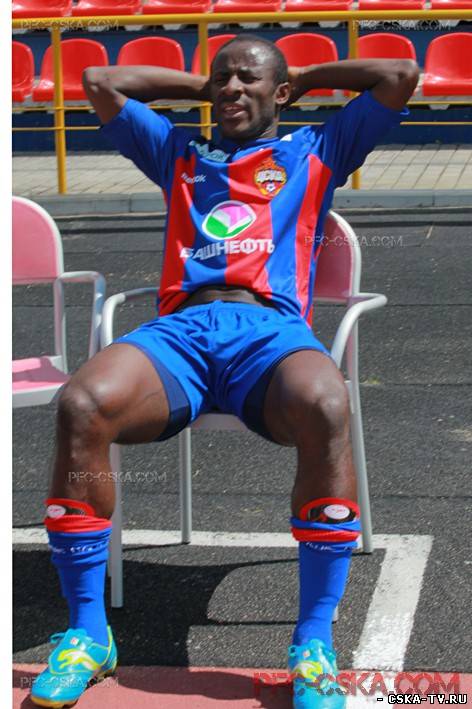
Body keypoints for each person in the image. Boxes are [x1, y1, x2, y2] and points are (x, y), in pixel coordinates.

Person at [30, 35, 418, 709]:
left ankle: (313, 644)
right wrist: (205, 86)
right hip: (180, 334)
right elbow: (98, 80)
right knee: (82, 402)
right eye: (223, 79)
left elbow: (401, 72)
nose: (232, 88)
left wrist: (297, 75)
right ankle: (88, 633)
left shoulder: (318, 148)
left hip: (269, 333)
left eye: (248, 79)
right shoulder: (177, 152)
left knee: (327, 402)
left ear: (283, 93)